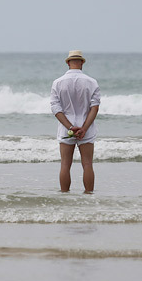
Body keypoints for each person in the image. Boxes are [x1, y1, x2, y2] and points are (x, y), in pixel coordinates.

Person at [50, 50, 100, 193]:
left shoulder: (57, 82)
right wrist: (83, 128)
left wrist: (71, 127)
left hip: (66, 128)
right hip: (87, 128)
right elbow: (94, 108)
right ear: (82, 63)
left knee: (65, 165)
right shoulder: (91, 82)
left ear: (67, 63)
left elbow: (56, 108)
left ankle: (65, 195)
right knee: (88, 164)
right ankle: (88, 195)